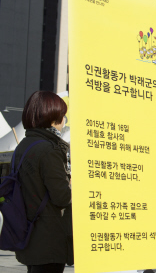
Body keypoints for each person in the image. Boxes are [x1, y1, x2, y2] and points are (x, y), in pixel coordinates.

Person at [13, 91, 72, 273]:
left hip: (28, 232)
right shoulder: (49, 150)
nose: (64, 120)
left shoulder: (23, 146)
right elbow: (62, 197)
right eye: (62, 115)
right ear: (52, 117)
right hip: (49, 238)